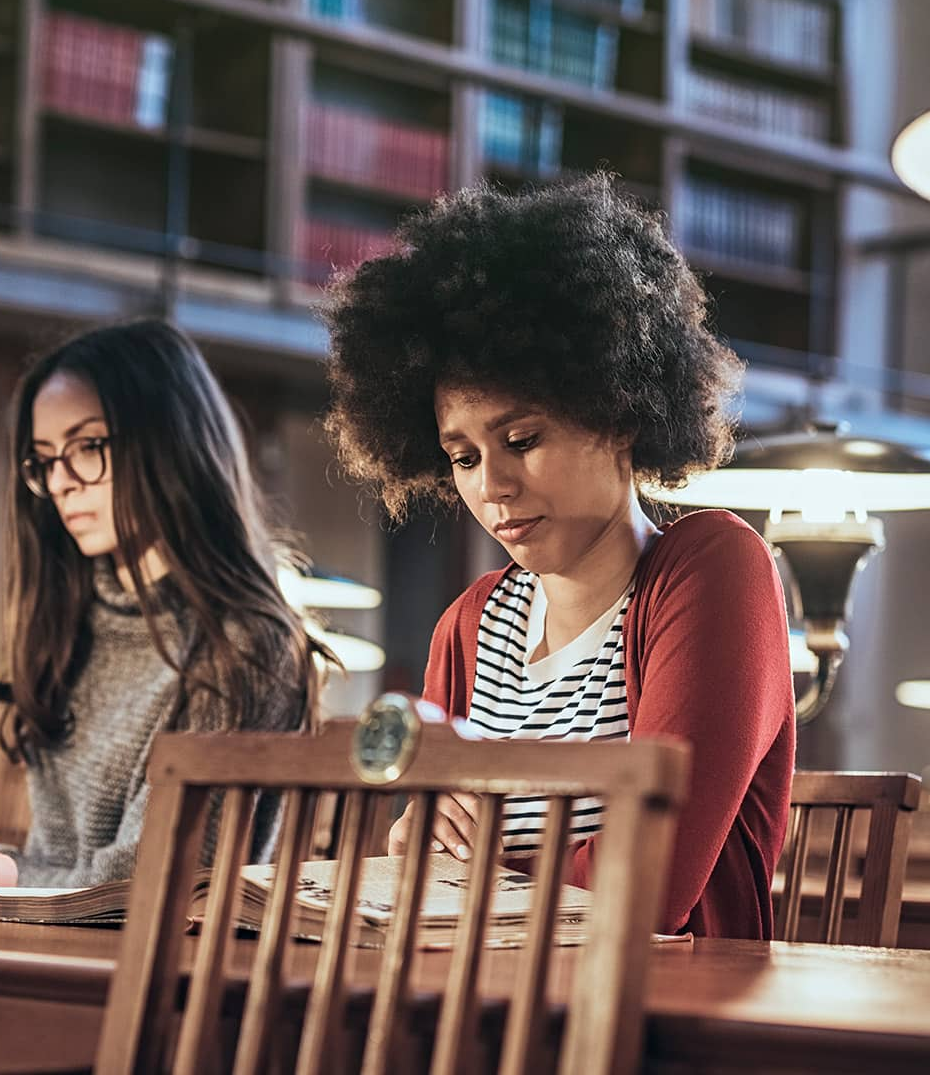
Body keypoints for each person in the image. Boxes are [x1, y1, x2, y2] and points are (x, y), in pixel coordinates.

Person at [321, 174, 796, 940]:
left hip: (656, 1023)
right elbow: (427, 859)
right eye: (464, 457)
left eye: (522, 441)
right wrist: (413, 842)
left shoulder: (714, 570)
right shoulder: (470, 628)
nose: (493, 486)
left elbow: (648, 884)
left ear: (620, 414)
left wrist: (475, 869)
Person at [0, 320, 327, 886]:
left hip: (156, 964)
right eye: (44, 459)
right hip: (47, 942)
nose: (62, 481)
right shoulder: (70, 621)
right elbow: (60, 862)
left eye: (88, 446)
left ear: (169, 444)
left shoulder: (243, 644)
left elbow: (142, 881)